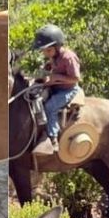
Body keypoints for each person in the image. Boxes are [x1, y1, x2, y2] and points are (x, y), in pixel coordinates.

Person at [32, 24, 81, 153]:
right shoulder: (53, 57)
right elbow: (49, 67)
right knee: (34, 97)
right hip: (55, 86)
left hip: (68, 90)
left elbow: (76, 78)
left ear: (57, 47)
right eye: (44, 51)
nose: (46, 54)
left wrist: (56, 77)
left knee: (50, 107)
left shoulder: (69, 58)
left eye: (48, 50)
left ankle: (53, 138)